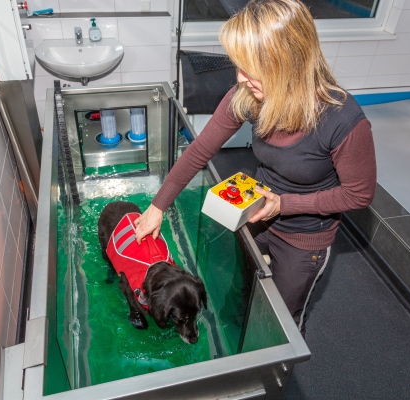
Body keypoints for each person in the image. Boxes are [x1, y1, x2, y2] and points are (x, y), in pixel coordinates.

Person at [134, 0, 376, 336]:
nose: (240, 78)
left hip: (304, 236)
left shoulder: (343, 119)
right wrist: (158, 206)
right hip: (257, 214)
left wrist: (286, 204)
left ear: (288, 63)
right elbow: (202, 148)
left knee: (282, 318)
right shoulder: (249, 93)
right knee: (242, 289)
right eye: (239, 66)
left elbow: (359, 194)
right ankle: (237, 348)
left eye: (251, 68)